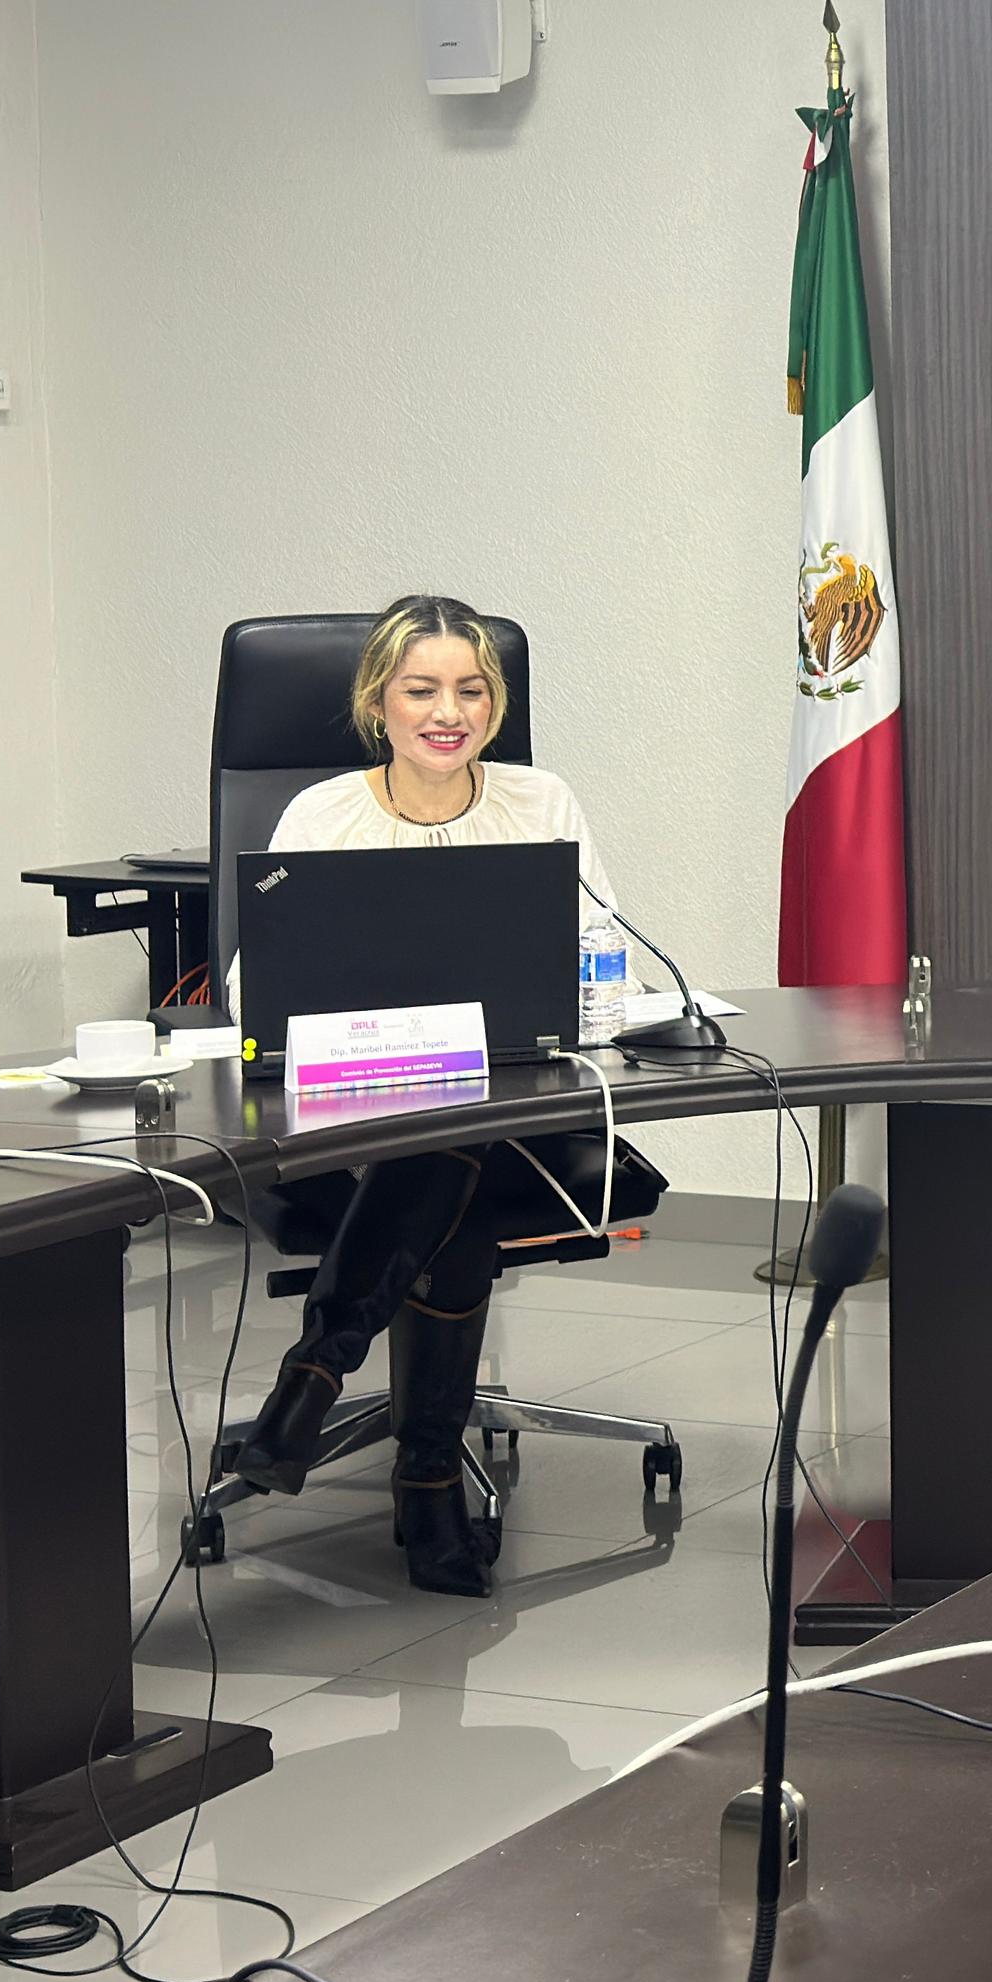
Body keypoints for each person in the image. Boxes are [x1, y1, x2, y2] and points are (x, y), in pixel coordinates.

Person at [226, 595, 642, 1596]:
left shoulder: (541, 803)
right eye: (422, 690)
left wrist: (584, 988)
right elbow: (253, 993)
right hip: (351, 1127)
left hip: (514, 1114)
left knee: (451, 1142)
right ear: (379, 702)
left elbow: (606, 962)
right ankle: (426, 1482)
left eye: (471, 690)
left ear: (496, 706)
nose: (448, 712)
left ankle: (315, 1376)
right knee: (446, 1176)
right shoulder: (323, 814)